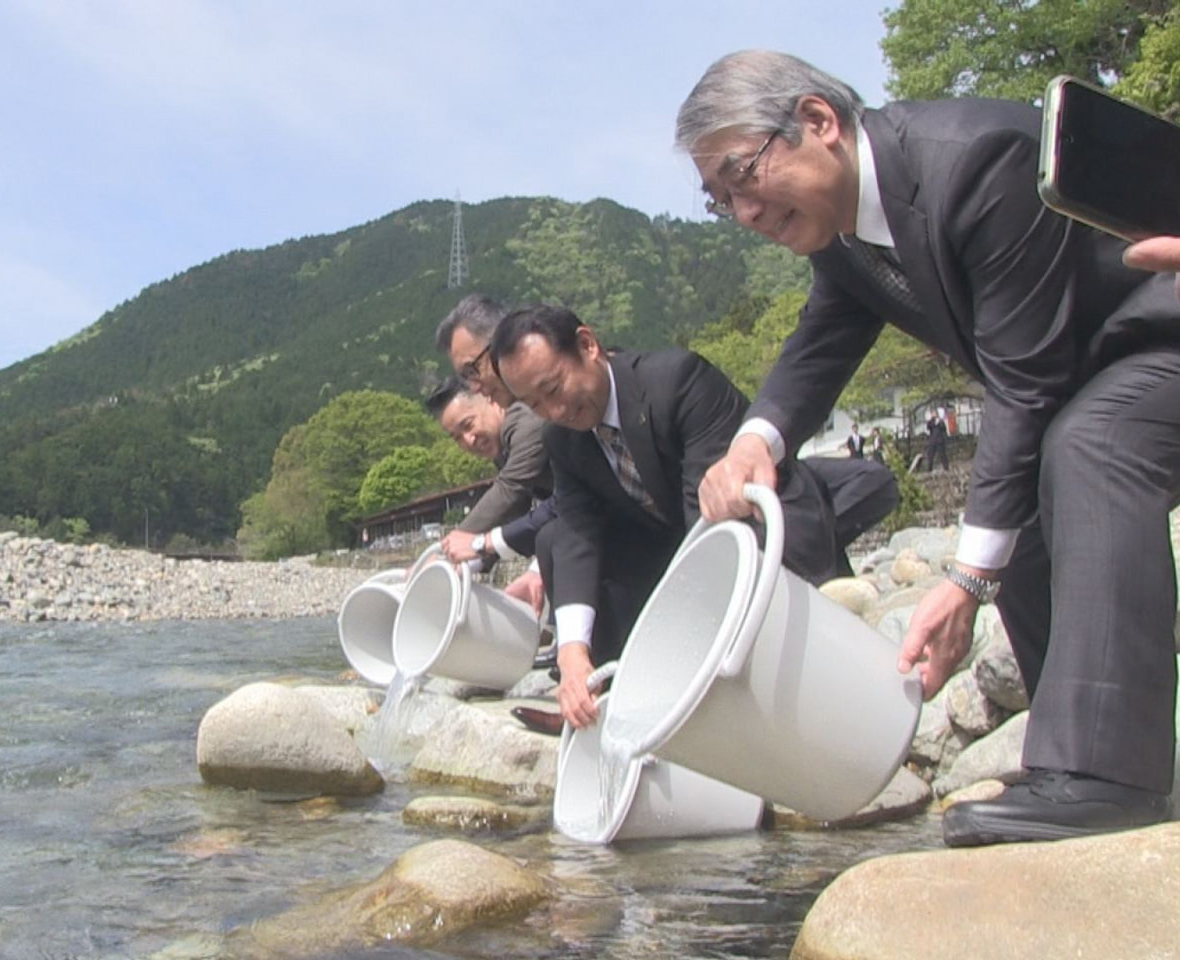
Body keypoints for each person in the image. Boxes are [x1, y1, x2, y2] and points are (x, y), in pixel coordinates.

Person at [678, 50, 1180, 847]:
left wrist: (968, 579)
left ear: (818, 122)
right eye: (719, 199)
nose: (742, 212)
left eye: (743, 176)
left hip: (1162, 334)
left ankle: (1104, 777)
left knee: (1087, 446)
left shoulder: (978, 162)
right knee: (1035, 490)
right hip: (1089, 372)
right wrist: (753, 441)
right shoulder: (843, 238)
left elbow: (1026, 383)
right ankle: (1075, 756)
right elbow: (821, 342)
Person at [491, 304, 898, 729]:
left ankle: (699, 701)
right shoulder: (563, 439)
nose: (553, 412)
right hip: (674, 544)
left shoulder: (677, 381)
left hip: (754, 532)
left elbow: (711, 521)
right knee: (555, 537)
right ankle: (605, 700)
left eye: (553, 388)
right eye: (534, 404)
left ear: (587, 345)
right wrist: (572, 651)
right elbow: (578, 534)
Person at [424, 375, 552, 563]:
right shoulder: (501, 449)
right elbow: (515, 511)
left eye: (468, 425)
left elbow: (510, 489)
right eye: (457, 438)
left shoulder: (525, 422)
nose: (469, 440)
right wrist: (473, 560)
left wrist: (448, 549)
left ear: (490, 400)